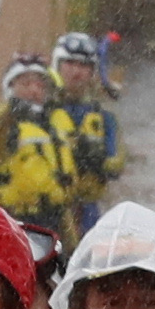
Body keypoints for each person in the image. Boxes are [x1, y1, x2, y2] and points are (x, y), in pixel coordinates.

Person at [0, 53, 78, 239]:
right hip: (9, 221)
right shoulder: (0, 130)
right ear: (10, 88)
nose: (35, 90)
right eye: (26, 84)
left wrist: (72, 244)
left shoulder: (52, 129)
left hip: (51, 221)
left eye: (40, 85)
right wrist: (12, 109)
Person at [48, 31, 123, 239]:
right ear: (57, 65)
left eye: (84, 66)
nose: (76, 72)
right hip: (46, 211)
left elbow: (117, 164)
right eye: (70, 64)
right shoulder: (41, 113)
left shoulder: (103, 118)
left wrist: (94, 160)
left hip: (86, 212)